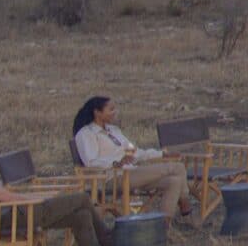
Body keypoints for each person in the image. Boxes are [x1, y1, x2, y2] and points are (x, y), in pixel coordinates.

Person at [72, 95, 196, 224]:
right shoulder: (86, 134)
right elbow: (90, 162)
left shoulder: (113, 130)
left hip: (131, 173)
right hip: (110, 178)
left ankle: (163, 226)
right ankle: (185, 204)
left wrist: (161, 155)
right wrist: (116, 163)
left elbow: (136, 152)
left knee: (174, 181)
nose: (115, 112)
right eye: (111, 109)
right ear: (97, 112)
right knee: (177, 167)